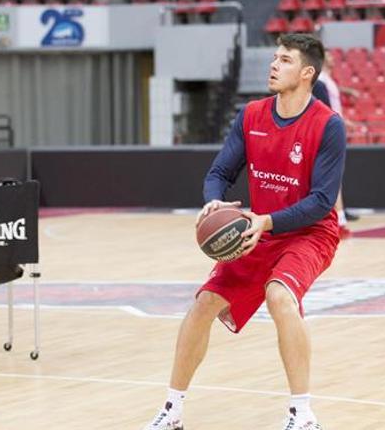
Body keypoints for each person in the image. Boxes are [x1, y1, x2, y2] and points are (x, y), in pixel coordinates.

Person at [143, 33, 345, 430]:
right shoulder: (252, 114)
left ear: (306, 73)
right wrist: (214, 201)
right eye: (274, 57)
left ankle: (303, 415)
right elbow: (219, 173)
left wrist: (266, 221)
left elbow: (323, 201)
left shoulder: (328, 125)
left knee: (279, 295)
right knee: (202, 305)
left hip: (309, 232)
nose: (273, 64)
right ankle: (172, 409)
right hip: (258, 231)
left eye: (285, 60)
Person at [316, 53, 362, 232]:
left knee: (334, 176)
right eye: (327, 54)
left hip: (335, 127)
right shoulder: (320, 80)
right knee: (331, 176)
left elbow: (333, 100)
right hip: (329, 129)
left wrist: (347, 92)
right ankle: (338, 218)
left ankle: (339, 216)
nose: (333, 57)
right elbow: (326, 106)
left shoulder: (328, 80)